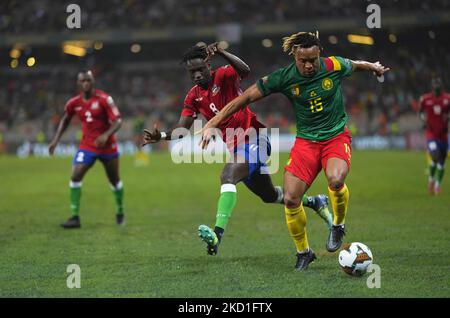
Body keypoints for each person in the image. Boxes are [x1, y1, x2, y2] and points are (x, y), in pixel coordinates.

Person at [198, 32, 390, 270]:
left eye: (313, 59)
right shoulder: (283, 78)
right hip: (306, 142)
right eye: (303, 60)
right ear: (294, 57)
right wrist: (212, 122)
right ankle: (304, 252)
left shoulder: (333, 65)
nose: (309, 65)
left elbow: (355, 64)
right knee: (290, 198)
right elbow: (244, 98)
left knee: (336, 179)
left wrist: (373, 67)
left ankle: (338, 225)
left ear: (319, 53)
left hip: (335, 136)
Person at [142, 43, 332, 256]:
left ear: (208, 65)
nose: (196, 75)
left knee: (227, 175)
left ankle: (217, 235)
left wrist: (222, 52)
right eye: (191, 72)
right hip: (237, 148)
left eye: (199, 69)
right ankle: (315, 201)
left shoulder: (223, 76)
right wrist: (163, 136)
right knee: (269, 195)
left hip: (255, 138)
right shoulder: (193, 96)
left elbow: (245, 70)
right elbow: (182, 128)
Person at [48, 70, 124, 228]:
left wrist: (106, 135)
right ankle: (75, 217)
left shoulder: (104, 99)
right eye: (83, 81)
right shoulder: (74, 103)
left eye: (88, 80)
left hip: (107, 146)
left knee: (114, 180)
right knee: (75, 176)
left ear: (93, 82)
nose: (86, 83)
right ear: (78, 83)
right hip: (87, 146)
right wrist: (55, 140)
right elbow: (65, 119)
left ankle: (120, 210)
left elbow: (118, 121)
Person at [419, 77, 450, 195]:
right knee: (435, 155)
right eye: (435, 85)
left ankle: (437, 184)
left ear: (441, 86)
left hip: (443, 135)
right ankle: (431, 180)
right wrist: (424, 120)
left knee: (441, 162)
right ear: (432, 87)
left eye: (438, 85)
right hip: (431, 134)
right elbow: (421, 111)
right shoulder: (426, 99)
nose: (436, 87)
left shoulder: (447, 98)